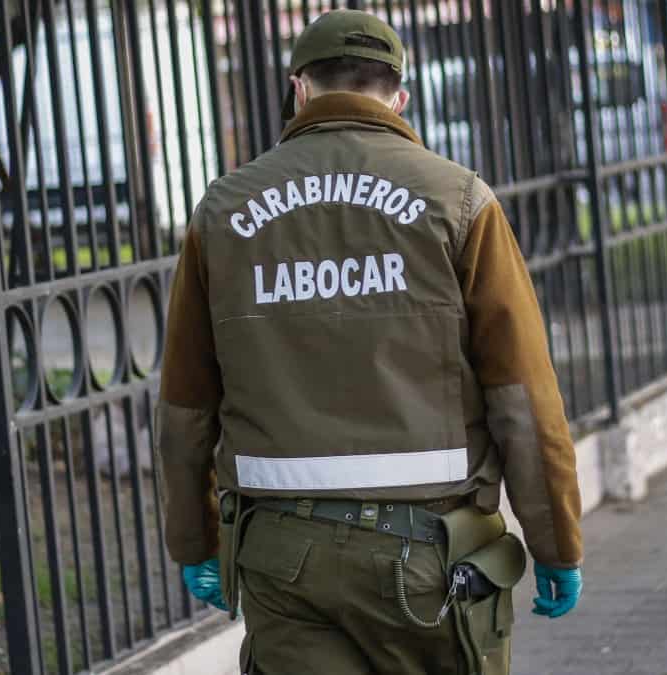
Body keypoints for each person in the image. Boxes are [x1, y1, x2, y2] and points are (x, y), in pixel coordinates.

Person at [156, 9, 583, 674]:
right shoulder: (459, 200)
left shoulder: (223, 212)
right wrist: (556, 542)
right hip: (430, 558)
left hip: (282, 561)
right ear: (399, 97)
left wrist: (195, 540)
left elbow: (185, 407)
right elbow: (521, 397)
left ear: (299, 88)